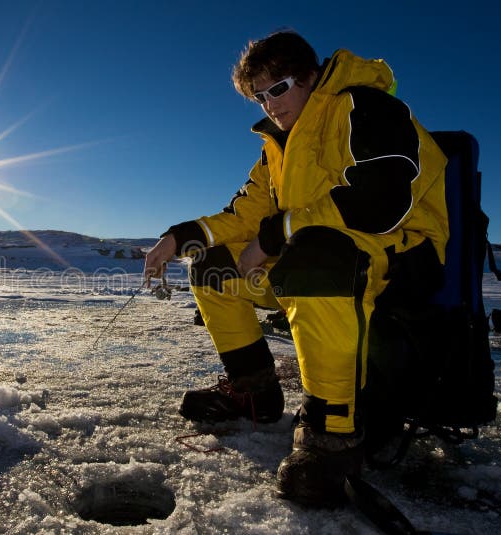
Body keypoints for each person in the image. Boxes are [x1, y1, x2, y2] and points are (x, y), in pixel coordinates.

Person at [144, 30, 448, 507]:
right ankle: (255, 392)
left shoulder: (365, 108)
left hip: (399, 255)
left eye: (278, 88)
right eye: (259, 97)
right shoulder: (276, 146)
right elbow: (244, 212)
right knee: (212, 264)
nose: (269, 104)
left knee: (314, 254)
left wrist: (272, 237)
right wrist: (181, 237)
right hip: (319, 257)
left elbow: (380, 201)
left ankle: (333, 434)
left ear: (309, 76)